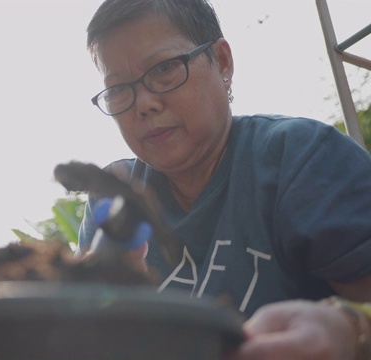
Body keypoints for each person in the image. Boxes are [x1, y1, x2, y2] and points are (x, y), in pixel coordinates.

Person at [77, 0, 371, 358]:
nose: (143, 104)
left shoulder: (300, 158)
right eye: (119, 89)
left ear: (223, 62)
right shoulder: (114, 196)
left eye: (166, 68)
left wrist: (352, 328)